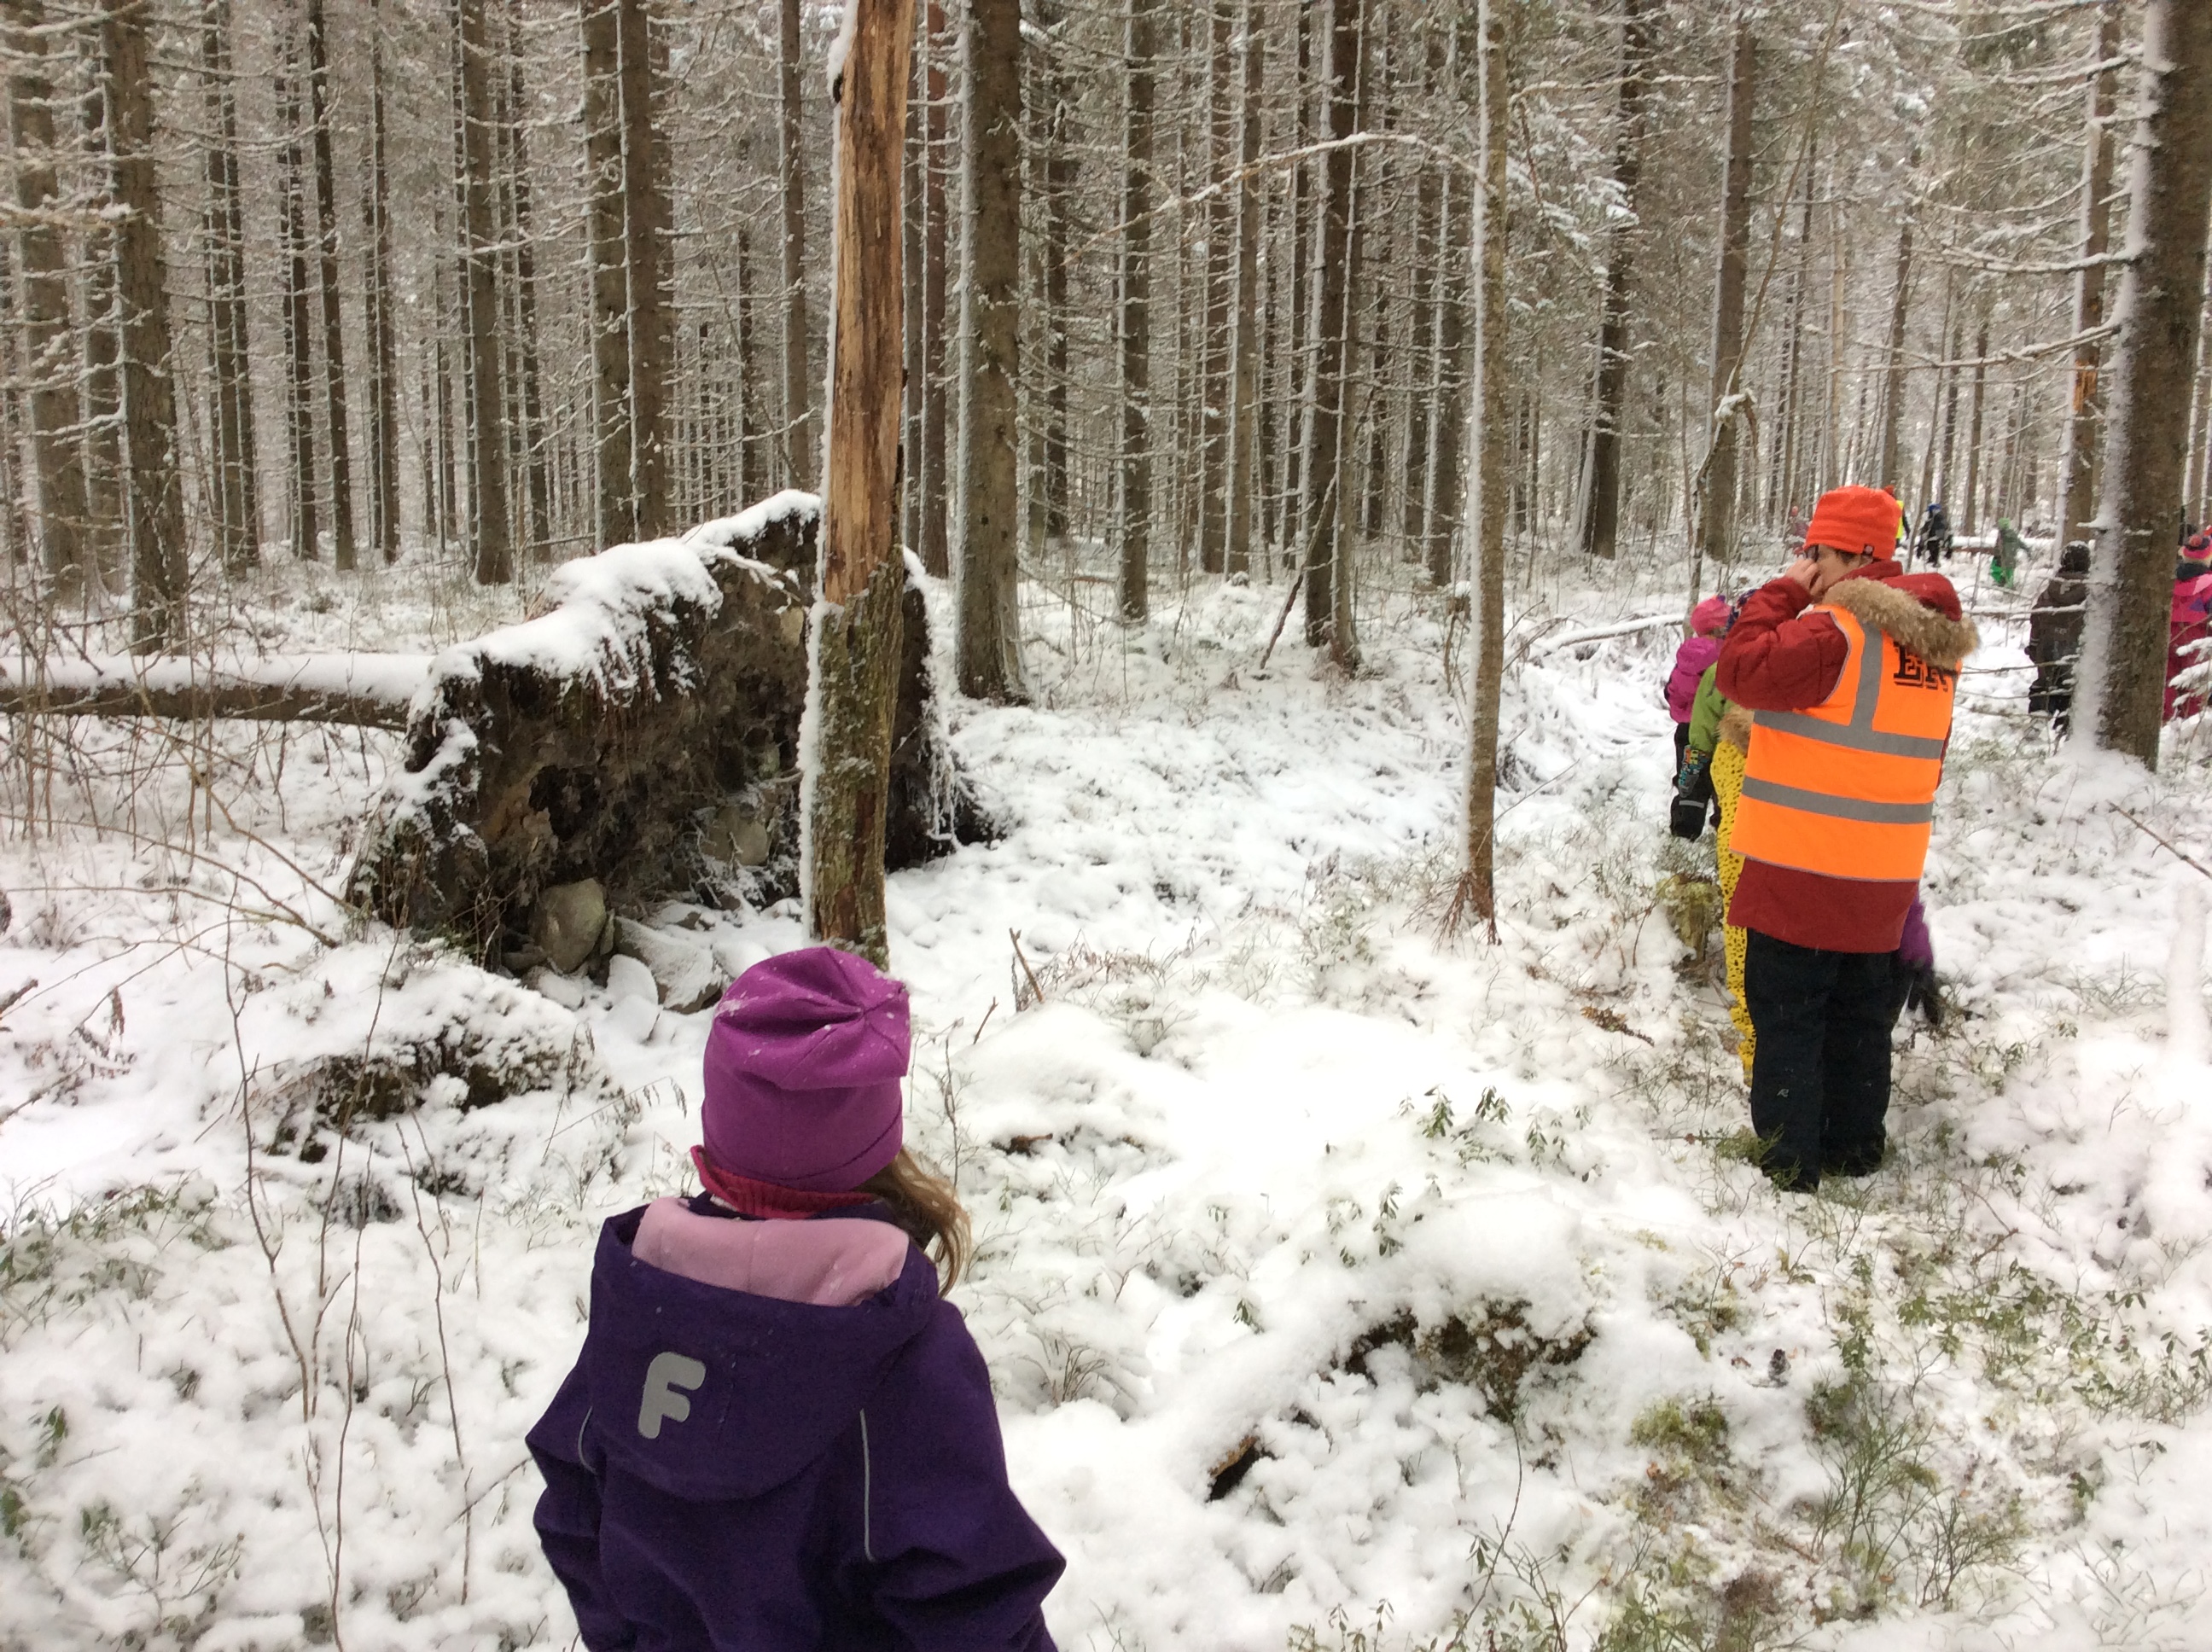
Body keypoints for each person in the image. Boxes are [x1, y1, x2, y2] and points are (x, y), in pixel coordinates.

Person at [528, 946, 1065, 1652]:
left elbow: (574, 1507)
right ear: (879, 1146)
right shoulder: (904, 1362)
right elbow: (973, 1604)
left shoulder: (643, 1302)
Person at [1716, 485, 1977, 1191]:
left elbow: (1738, 669)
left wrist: (1779, 594)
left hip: (1802, 869)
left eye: (1815, 553)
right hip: (1884, 876)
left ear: (1850, 555)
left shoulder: (1834, 632)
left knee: (1789, 1019)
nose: (1809, 565)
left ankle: (1789, 1166)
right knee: (1860, 1022)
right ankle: (1854, 1153)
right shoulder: (1932, 650)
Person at [2026, 540, 2092, 729]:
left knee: (2046, 683)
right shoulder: (2091, 591)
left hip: (2047, 647)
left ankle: (2038, 718)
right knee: (2072, 688)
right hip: (2076, 649)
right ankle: (2066, 727)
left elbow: (2037, 618)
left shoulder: (2050, 590)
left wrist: (2034, 645)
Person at [1666, 595, 1731, 780]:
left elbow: (1671, 692)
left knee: (1689, 784)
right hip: (1712, 732)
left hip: (1685, 731)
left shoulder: (1686, 654)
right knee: (1716, 783)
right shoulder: (1723, 654)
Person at [2168, 530, 2212, 721]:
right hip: (2196, 637)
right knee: (2195, 682)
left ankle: (2165, 721)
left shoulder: (2170, 579)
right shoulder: (2209, 583)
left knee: (2167, 681)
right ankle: (2190, 723)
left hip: (2168, 634)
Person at [1912, 500, 1953, 567]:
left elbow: (1933, 534)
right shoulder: (1942, 519)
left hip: (1936, 541)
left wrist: (1920, 546)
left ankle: (1934, 560)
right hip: (1941, 541)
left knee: (1933, 543)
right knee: (1933, 543)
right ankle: (1933, 559)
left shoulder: (1935, 520)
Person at [1992, 518, 2025, 589]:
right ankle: (2006, 584)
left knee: (1999, 571)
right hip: (2007, 558)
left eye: (1999, 525)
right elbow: (2020, 543)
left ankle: (2005, 584)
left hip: (2003, 557)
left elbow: (2002, 547)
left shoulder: (2005, 535)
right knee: (2007, 572)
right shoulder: (2008, 534)